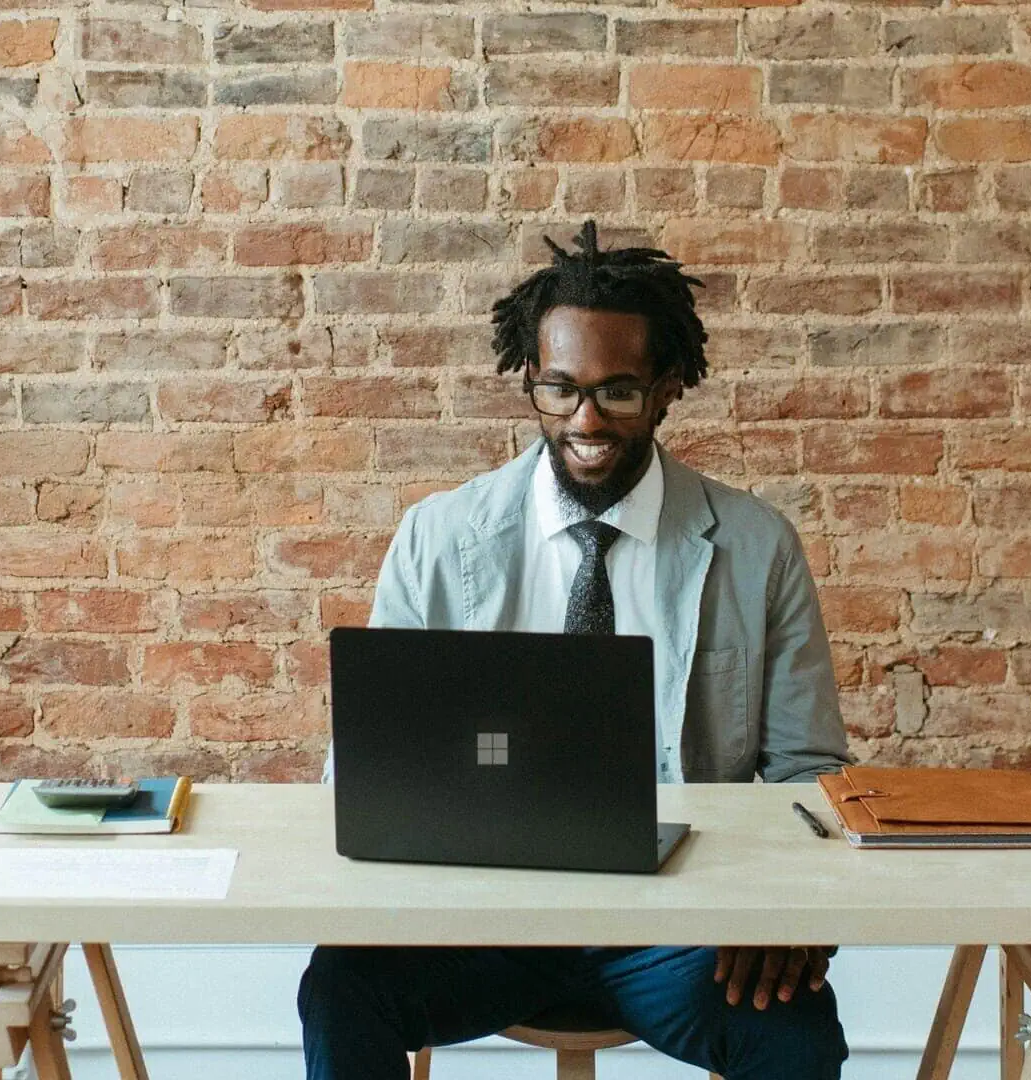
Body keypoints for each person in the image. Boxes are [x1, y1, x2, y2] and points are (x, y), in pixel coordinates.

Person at [298, 221, 852, 1080]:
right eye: (560, 391)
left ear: (668, 389)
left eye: (618, 393)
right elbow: (373, 763)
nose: (586, 420)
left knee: (795, 1030)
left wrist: (783, 911)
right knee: (339, 990)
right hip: (481, 927)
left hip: (676, 936)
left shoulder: (754, 546)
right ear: (530, 382)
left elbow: (810, 772)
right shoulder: (438, 539)